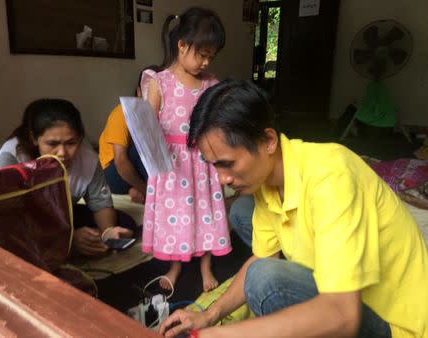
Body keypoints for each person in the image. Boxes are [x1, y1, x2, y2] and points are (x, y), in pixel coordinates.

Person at [159, 79, 428, 338]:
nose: (222, 178)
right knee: (244, 218)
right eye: (214, 165)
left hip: (396, 325)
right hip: (345, 297)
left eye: (227, 164)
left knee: (264, 280)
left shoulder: (332, 177)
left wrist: (220, 335)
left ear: (268, 142)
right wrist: (208, 316)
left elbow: (343, 316)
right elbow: (262, 256)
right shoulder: (267, 183)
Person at [140, 7, 231, 292]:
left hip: (202, 161)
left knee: (206, 212)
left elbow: (218, 122)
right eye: (201, 54)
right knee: (175, 215)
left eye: (210, 56)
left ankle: (205, 266)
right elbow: (148, 126)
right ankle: (175, 266)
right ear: (181, 45)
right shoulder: (160, 82)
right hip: (172, 163)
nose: (205, 62)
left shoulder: (211, 84)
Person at [0, 98, 137, 257]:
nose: (62, 152)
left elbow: (100, 202)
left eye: (71, 143)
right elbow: (14, 218)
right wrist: (68, 239)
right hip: (29, 223)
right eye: (52, 144)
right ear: (34, 139)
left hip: (63, 214)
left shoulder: (87, 157)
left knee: (126, 225)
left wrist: (108, 232)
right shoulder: (12, 157)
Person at [99, 66, 160, 204]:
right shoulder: (122, 112)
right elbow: (120, 161)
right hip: (112, 173)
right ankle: (156, 193)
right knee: (143, 146)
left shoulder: (160, 116)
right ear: (139, 92)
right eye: (152, 91)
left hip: (134, 173)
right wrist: (147, 191)